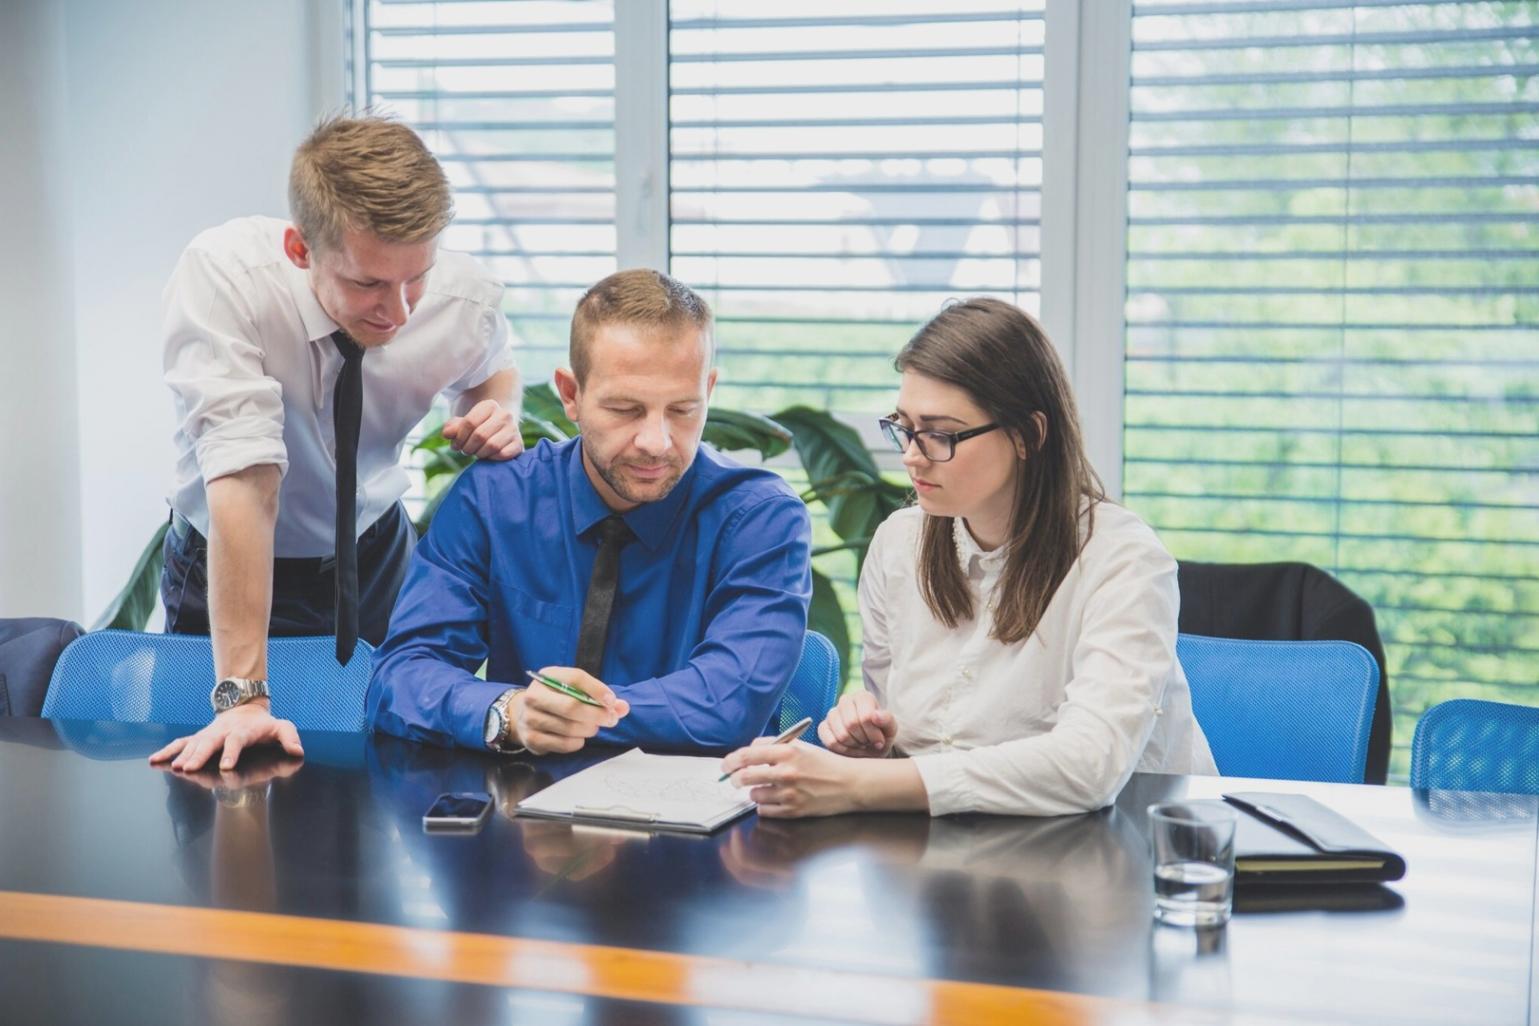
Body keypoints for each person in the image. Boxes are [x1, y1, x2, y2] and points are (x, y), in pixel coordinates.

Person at [721, 297, 1216, 817]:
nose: (911, 454)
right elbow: (918, 751)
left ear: (1028, 435)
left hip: (1125, 853)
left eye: (940, 434)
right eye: (905, 426)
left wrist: (863, 784)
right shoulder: (898, 545)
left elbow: (1088, 765)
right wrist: (875, 745)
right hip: (966, 852)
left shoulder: (1123, 559)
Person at [151, 115, 523, 774]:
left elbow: (490, 366)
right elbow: (245, 481)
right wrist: (242, 698)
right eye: (368, 284)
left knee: (387, 770)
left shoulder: (461, 297)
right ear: (300, 249)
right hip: (227, 556)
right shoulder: (225, 277)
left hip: (375, 556)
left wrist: (491, 409)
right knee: (217, 781)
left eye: (416, 277)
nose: (400, 311)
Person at [368, 269, 812, 755]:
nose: (656, 442)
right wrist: (507, 712)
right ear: (571, 395)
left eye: (683, 410)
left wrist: (567, 716)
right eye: (626, 409)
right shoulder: (495, 500)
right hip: (520, 815)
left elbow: (728, 704)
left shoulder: (761, 520)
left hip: (702, 819)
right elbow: (402, 678)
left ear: (709, 389)